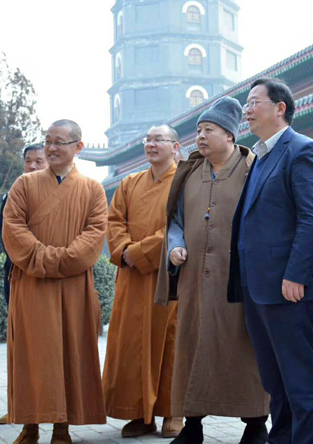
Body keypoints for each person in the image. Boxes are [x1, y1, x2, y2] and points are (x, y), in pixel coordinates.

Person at [155, 97, 269, 444]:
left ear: (230, 135)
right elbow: (175, 221)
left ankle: (255, 424)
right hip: (194, 278)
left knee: (245, 348)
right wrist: (175, 245)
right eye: (199, 130)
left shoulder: (253, 169)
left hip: (238, 280)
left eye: (209, 130)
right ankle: (192, 426)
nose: (200, 136)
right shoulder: (189, 171)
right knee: (192, 348)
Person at [228, 78, 313, 444]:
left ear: (280, 108)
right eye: (247, 103)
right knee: (276, 381)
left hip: (289, 286)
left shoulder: (302, 150)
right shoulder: (260, 156)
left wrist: (297, 275)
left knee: (300, 378)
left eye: (254, 102)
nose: (247, 109)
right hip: (258, 286)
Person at [2, 119, 108, 444]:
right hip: (31, 283)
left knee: (68, 352)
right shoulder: (24, 184)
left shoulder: (92, 189)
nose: (51, 148)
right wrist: (47, 259)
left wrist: (62, 260)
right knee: (30, 354)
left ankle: (62, 427)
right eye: (48, 141)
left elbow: (95, 234)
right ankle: (29, 426)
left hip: (72, 285)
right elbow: (13, 227)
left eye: (59, 142)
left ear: (78, 147)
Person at [102, 125, 183, 439]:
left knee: (171, 341)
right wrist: (124, 251)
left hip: (169, 274)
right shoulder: (129, 183)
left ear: (175, 147)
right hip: (132, 277)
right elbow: (114, 221)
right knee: (132, 344)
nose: (151, 144)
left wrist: (139, 252)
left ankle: (173, 412)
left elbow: (181, 226)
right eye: (148, 139)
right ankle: (140, 414)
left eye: (159, 139)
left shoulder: (184, 182)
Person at [0, 143, 47, 426]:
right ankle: (17, 404)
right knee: (19, 343)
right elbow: (6, 235)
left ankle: (48, 405)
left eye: (39, 160)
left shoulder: (59, 195)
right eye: (28, 160)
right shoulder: (12, 196)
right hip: (17, 275)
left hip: (50, 275)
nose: (32, 166)